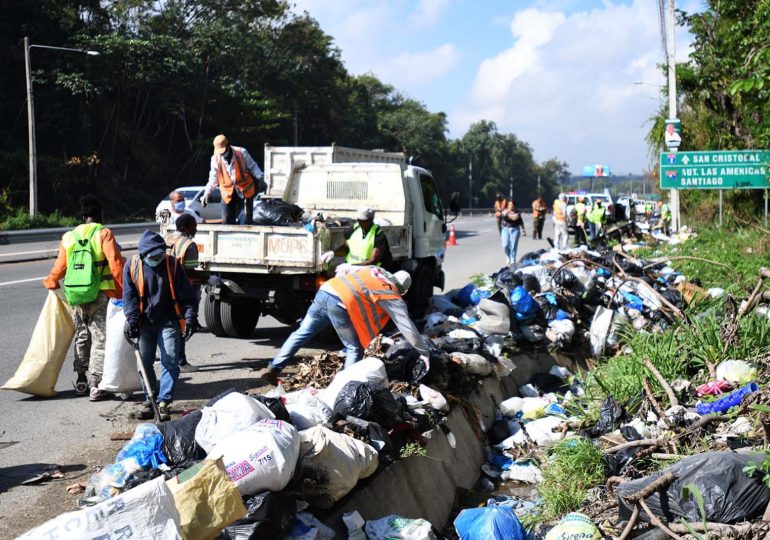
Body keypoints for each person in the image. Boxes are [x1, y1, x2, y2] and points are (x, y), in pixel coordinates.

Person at [261, 267, 429, 385]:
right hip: (340, 303)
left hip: (326, 290)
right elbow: (407, 327)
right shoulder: (390, 292)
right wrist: (424, 352)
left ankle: (274, 368)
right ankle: (345, 386)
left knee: (302, 332)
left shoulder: (373, 271)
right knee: (354, 348)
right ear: (402, 290)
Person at [44, 195, 125, 400]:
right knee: (100, 337)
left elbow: (60, 267)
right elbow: (115, 264)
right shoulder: (104, 233)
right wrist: (124, 290)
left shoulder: (69, 236)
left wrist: (51, 282)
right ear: (100, 216)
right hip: (100, 295)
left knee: (81, 336)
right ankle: (96, 384)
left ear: (83, 216)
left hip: (75, 296)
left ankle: (81, 379)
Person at [123, 230, 197, 421]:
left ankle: (164, 401)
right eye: (153, 256)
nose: (157, 258)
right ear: (143, 254)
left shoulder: (172, 264)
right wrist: (132, 320)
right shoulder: (133, 265)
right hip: (144, 322)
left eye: (160, 254)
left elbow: (187, 296)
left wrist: (189, 318)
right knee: (144, 362)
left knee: (170, 360)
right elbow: (129, 297)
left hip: (168, 321)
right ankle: (150, 399)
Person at [201, 134, 264, 225]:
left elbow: (253, 167)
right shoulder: (215, 158)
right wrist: (206, 194)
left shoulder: (241, 152)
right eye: (220, 152)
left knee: (246, 222)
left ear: (228, 146)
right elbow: (213, 179)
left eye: (223, 151)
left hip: (245, 191)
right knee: (227, 221)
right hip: (227, 193)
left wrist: (260, 177)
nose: (222, 154)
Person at [171, 213, 204, 372]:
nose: (196, 229)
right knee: (183, 325)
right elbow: (190, 273)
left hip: (166, 290)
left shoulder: (167, 239)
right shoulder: (189, 245)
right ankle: (181, 362)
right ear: (184, 228)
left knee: (171, 326)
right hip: (182, 292)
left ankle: (171, 359)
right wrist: (210, 277)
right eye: (193, 226)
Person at [321, 207, 392, 268]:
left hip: (368, 272)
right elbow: (346, 249)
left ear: (371, 219)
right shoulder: (353, 229)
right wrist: (333, 253)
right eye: (359, 220)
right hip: (350, 270)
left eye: (364, 221)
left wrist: (352, 267)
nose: (361, 223)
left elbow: (373, 260)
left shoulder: (378, 235)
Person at [500, 200, 526, 265]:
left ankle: (513, 259)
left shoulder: (517, 213)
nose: (511, 206)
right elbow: (503, 215)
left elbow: (520, 221)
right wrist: (508, 210)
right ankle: (508, 255)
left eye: (512, 204)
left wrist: (523, 230)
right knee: (505, 245)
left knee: (513, 245)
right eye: (510, 205)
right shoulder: (505, 211)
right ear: (508, 206)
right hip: (505, 229)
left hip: (515, 229)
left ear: (514, 205)